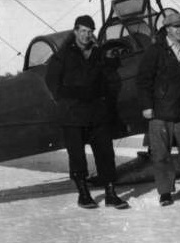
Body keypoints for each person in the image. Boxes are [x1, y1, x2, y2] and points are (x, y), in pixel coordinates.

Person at [49, 15, 129, 210]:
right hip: (73, 113)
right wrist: (73, 95)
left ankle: (111, 194)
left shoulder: (98, 53)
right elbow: (52, 83)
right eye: (83, 31)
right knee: (77, 155)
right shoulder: (63, 55)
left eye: (90, 31)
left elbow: (108, 78)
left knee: (106, 153)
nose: (86, 35)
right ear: (75, 31)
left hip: (97, 113)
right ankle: (83, 194)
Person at [136, 11, 180, 206]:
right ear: (167, 29)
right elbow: (143, 80)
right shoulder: (155, 50)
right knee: (161, 155)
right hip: (160, 112)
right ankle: (165, 192)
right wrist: (146, 106)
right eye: (176, 27)